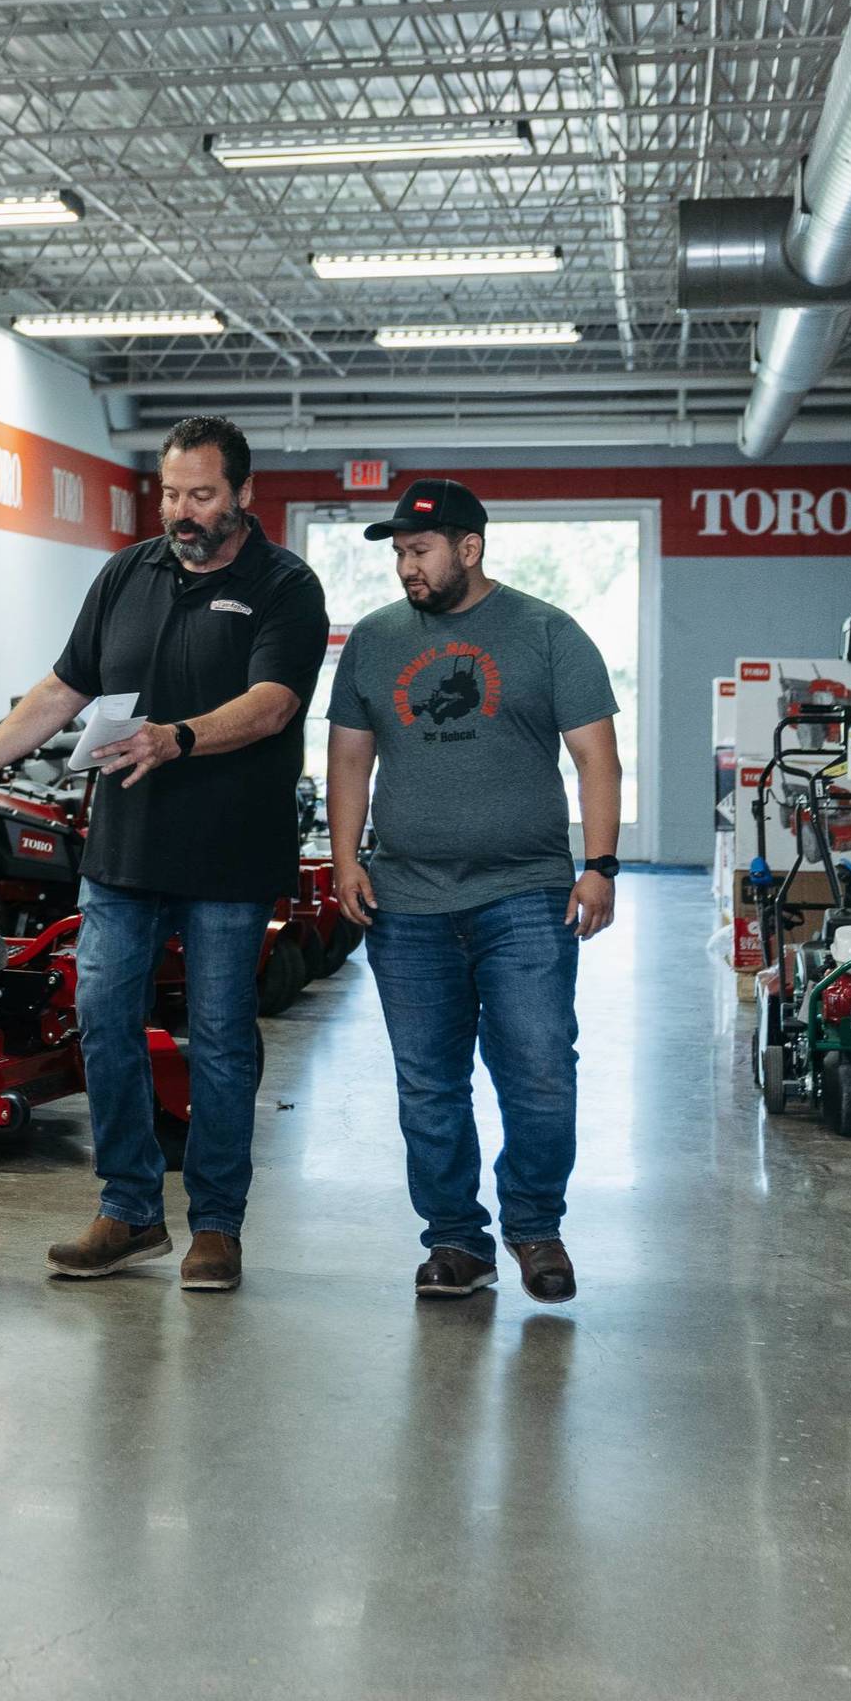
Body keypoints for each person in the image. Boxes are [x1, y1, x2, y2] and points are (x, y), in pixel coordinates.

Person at [0, 415, 328, 1289]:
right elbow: (64, 686)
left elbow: (274, 703)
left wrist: (178, 737)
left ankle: (216, 1226)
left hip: (230, 860)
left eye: (202, 494)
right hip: (123, 853)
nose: (182, 511)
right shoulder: (128, 572)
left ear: (242, 494)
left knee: (219, 1040)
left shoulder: (285, 585)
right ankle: (129, 1210)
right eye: (170, 493)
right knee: (101, 1022)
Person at [322, 478, 622, 1306]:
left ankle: (534, 1228)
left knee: (538, 1071)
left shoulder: (548, 633)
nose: (405, 568)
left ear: (470, 548)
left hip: (524, 892)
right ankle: (456, 1241)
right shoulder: (376, 641)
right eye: (397, 554)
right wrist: (347, 859)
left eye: (418, 552)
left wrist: (600, 865)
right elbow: (350, 757)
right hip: (405, 899)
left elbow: (598, 757)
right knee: (427, 1082)